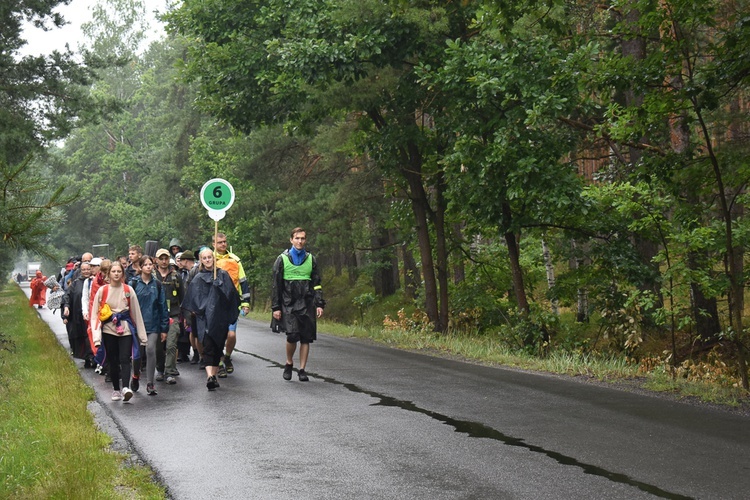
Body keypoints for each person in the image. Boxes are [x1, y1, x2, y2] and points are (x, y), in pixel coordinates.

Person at [271, 227, 325, 382]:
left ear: (305, 240)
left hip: (307, 303)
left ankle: (302, 369)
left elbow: (317, 283)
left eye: (302, 238)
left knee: (306, 338)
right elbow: (276, 285)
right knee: (292, 335)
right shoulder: (282, 259)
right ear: (291, 240)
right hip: (288, 303)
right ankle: (289, 362)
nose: (300, 241)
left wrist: (319, 303)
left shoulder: (311, 259)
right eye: (297, 238)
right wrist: (276, 307)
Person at [182, 248, 240, 390]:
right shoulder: (198, 278)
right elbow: (192, 297)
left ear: (214, 258)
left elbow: (231, 295)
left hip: (220, 318)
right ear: (201, 260)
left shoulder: (223, 275)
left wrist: (219, 290)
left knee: (217, 346)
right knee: (208, 345)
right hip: (204, 319)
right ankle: (209, 376)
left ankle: (214, 375)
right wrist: (197, 310)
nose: (208, 260)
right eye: (205, 258)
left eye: (210, 257)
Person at [91, 261, 148, 403]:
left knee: (125, 358)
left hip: (126, 329)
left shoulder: (128, 290)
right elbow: (95, 316)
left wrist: (142, 336)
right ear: (108, 274)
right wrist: (96, 337)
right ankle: (116, 389)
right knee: (113, 360)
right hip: (108, 329)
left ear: (122, 274)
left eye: (119, 271)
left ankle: (126, 388)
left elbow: (136, 313)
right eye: (113, 271)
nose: (116, 274)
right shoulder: (102, 291)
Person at [129, 255, 169, 395]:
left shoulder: (157, 284)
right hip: (137, 325)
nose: (148, 267)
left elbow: (162, 306)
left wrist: (164, 328)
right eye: (145, 264)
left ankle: (150, 383)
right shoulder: (133, 284)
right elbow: (127, 305)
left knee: (150, 349)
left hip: (153, 324)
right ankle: (135, 375)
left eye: (150, 264)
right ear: (140, 267)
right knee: (137, 354)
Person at [213, 232, 251, 377]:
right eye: (220, 242)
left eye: (224, 242)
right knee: (217, 335)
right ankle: (220, 360)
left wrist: (245, 303)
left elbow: (243, 282)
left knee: (231, 334)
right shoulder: (211, 259)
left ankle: (227, 356)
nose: (223, 244)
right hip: (215, 304)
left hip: (232, 302)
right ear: (214, 244)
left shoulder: (235, 260)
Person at [154, 248, 183, 384]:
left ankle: (170, 371)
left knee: (171, 344)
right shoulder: (152, 276)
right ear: (156, 260)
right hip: (156, 316)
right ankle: (160, 369)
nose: (164, 261)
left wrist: (185, 317)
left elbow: (183, 296)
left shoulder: (176, 276)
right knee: (158, 346)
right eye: (161, 258)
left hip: (173, 315)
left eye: (166, 258)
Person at [62, 262, 95, 367]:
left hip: (93, 315)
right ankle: (87, 358)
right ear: (80, 270)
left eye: (88, 269)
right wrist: (66, 307)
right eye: (84, 269)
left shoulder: (95, 281)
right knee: (82, 338)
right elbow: (67, 296)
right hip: (79, 316)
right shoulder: (75, 283)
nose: (86, 271)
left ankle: (94, 357)